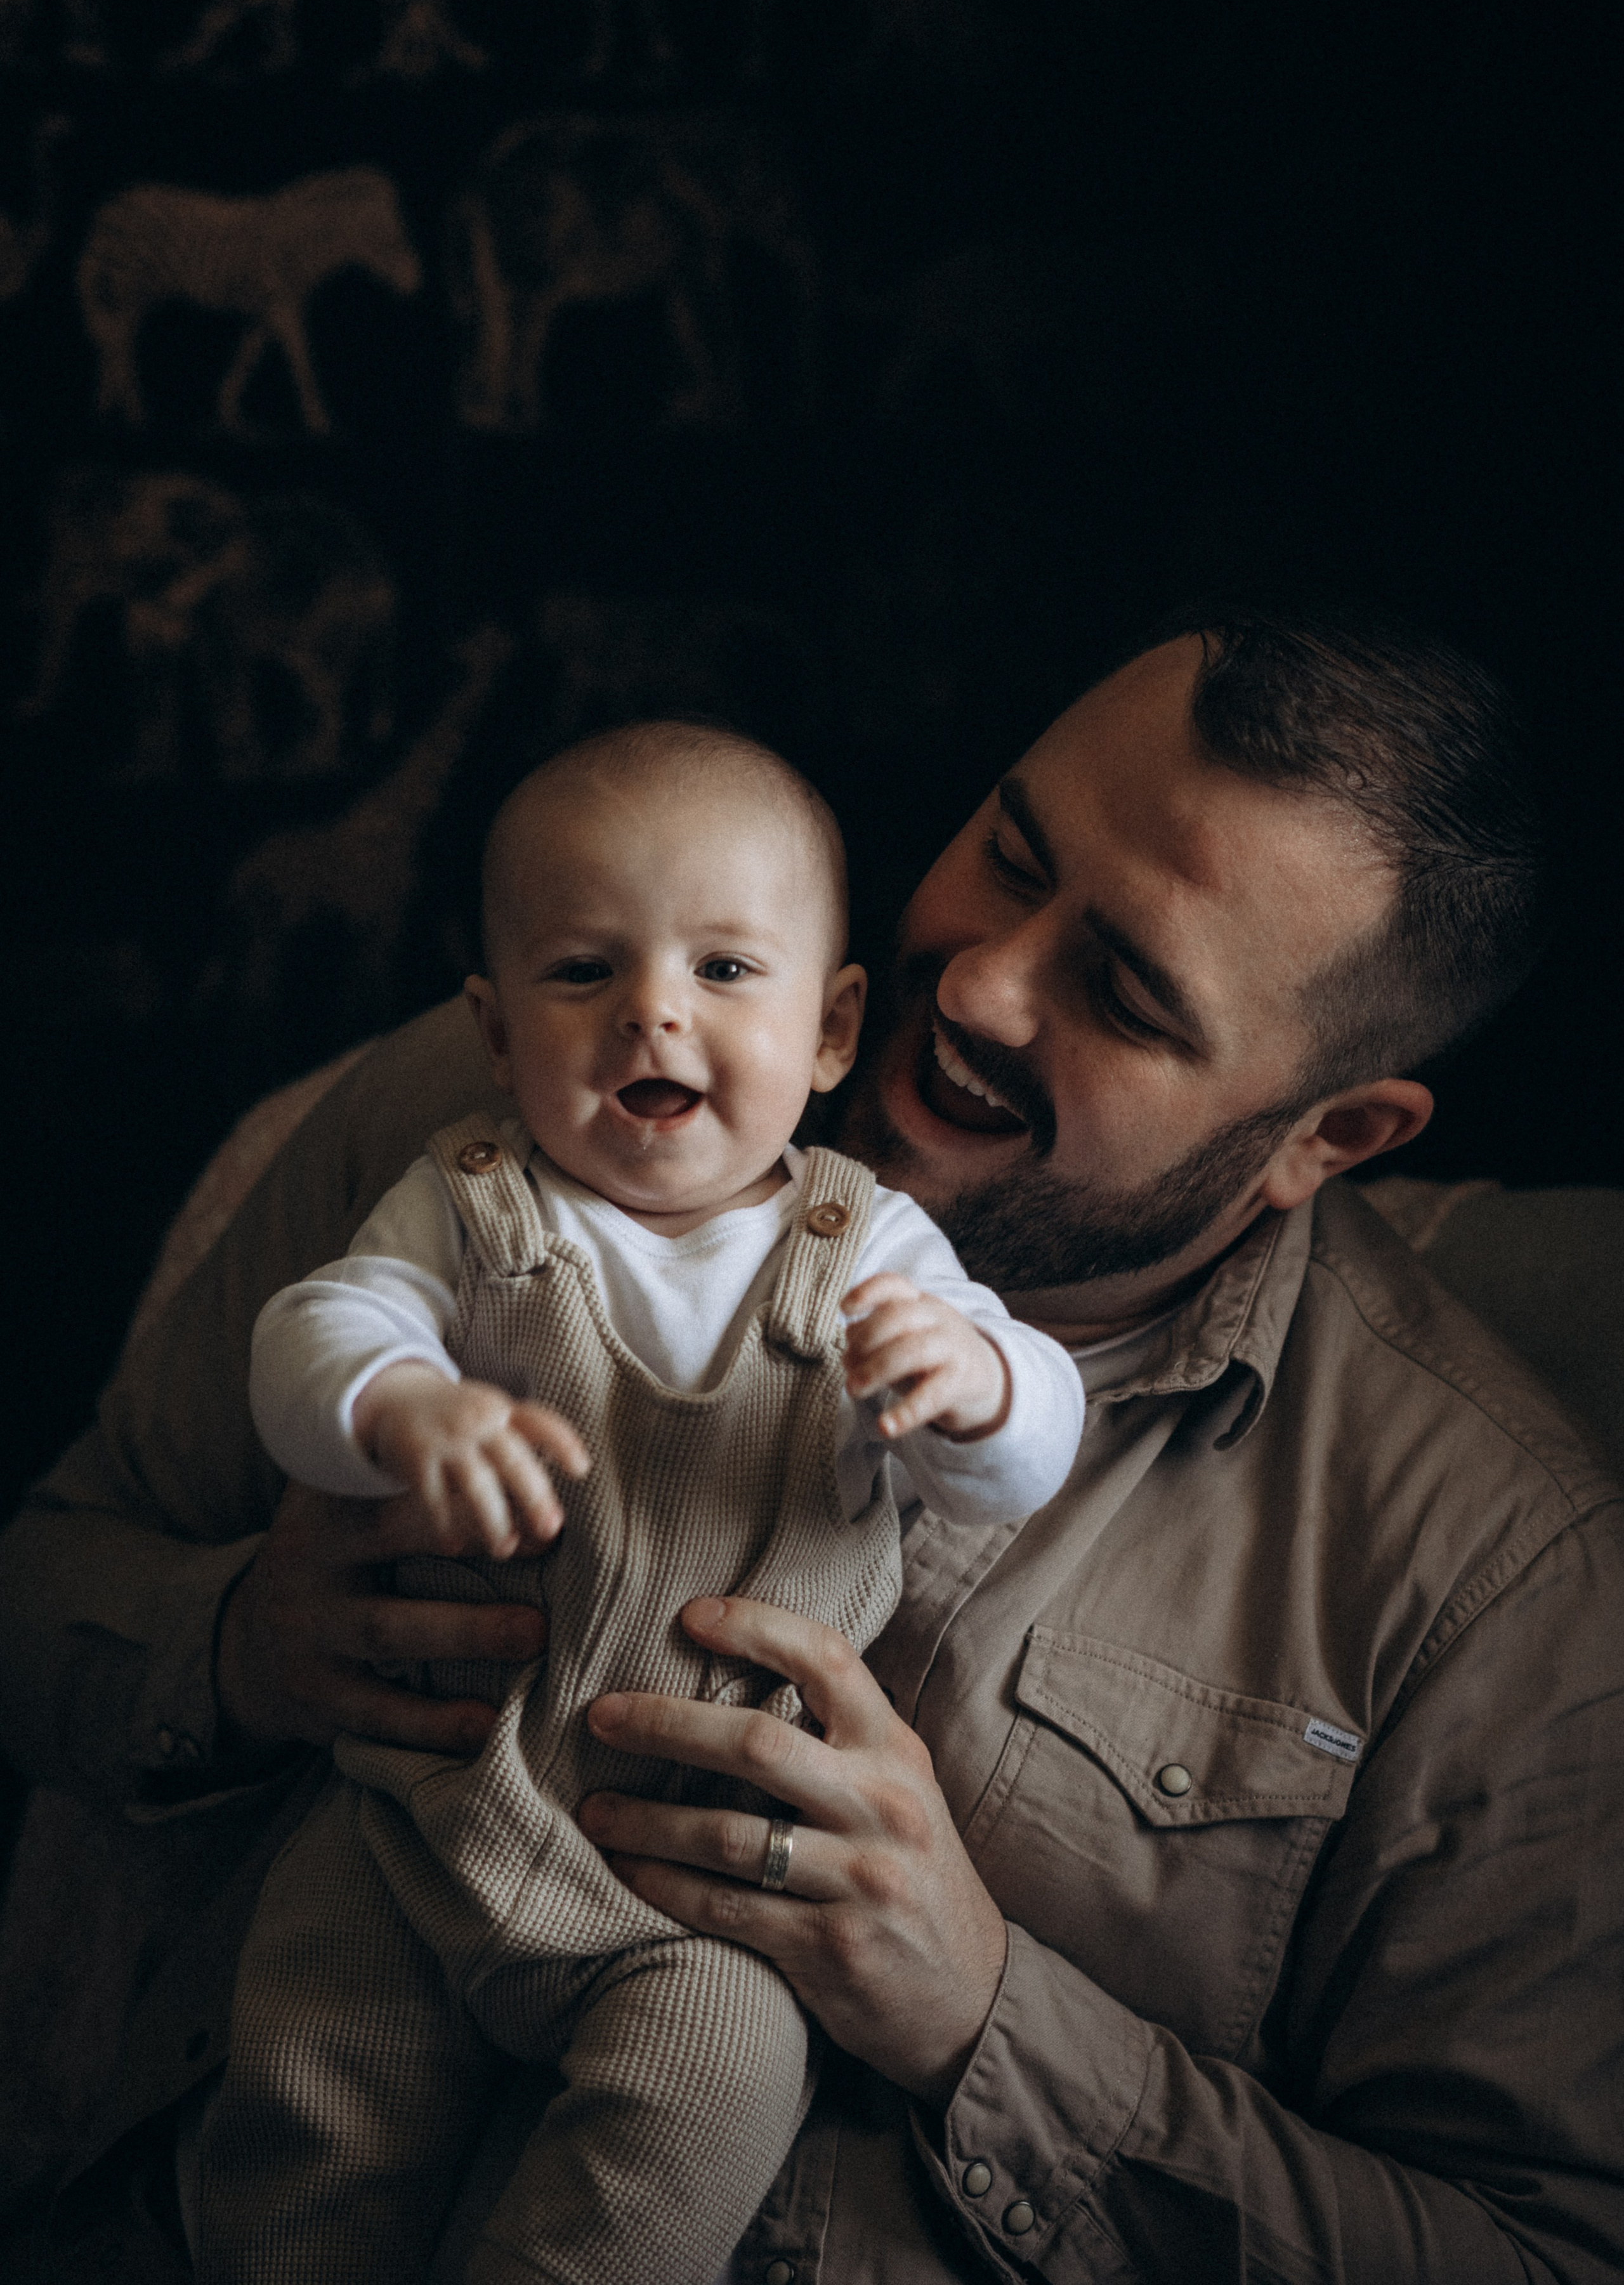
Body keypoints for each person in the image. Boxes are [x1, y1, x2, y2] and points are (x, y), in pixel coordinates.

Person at [2, 611, 1620, 2285]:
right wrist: (242, 1649)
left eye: (1122, 989)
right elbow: (46, 1583)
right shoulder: (509, 1107)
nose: (982, 980)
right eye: (1009, 853)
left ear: (1326, 1137)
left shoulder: (1486, 1582)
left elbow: (1543, 2251)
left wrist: (984, 2014)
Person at [197, 723, 1083, 2285]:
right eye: (582, 971)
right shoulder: (471, 1201)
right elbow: (307, 1340)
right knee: (305, 2093)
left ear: (830, 1029)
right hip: (422, 1821)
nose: (652, 1010)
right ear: (492, 1028)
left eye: (725, 970)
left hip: (696, 1895)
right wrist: (398, 1400)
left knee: (715, 2092)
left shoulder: (868, 1248)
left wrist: (979, 1382)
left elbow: (1025, 1452)